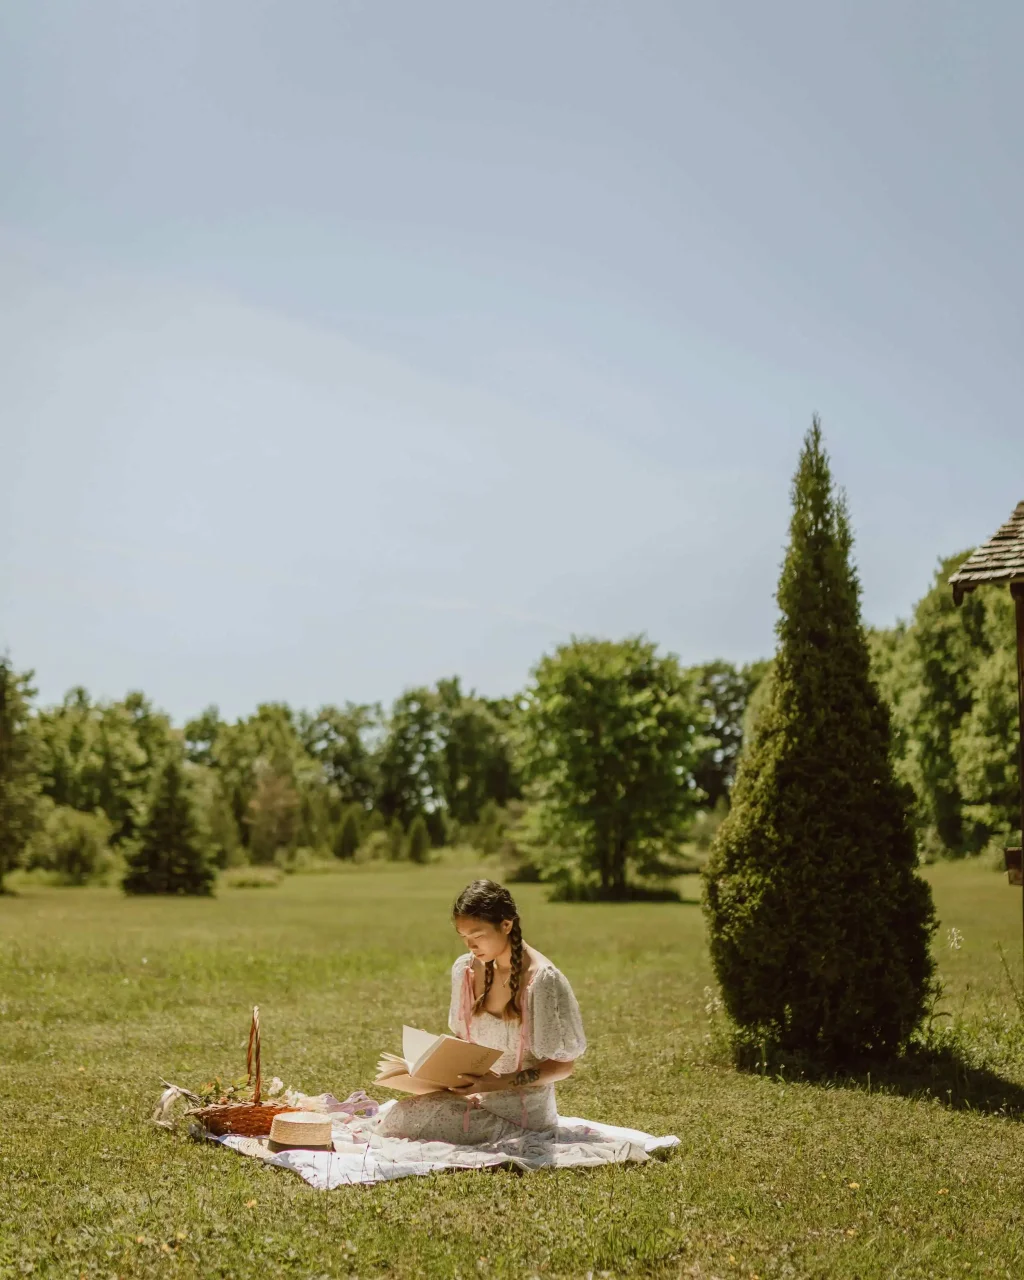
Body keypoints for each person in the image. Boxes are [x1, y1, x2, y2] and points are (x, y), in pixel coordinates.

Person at [375, 878, 587, 1144]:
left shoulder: (542, 980)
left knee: (404, 1121)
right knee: (401, 1114)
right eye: (464, 937)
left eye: (477, 936)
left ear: (506, 925)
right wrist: (432, 1055)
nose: (470, 946)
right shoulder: (466, 969)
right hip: (472, 1098)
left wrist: (495, 1084)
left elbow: (562, 1066)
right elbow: (468, 1045)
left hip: (523, 1116)